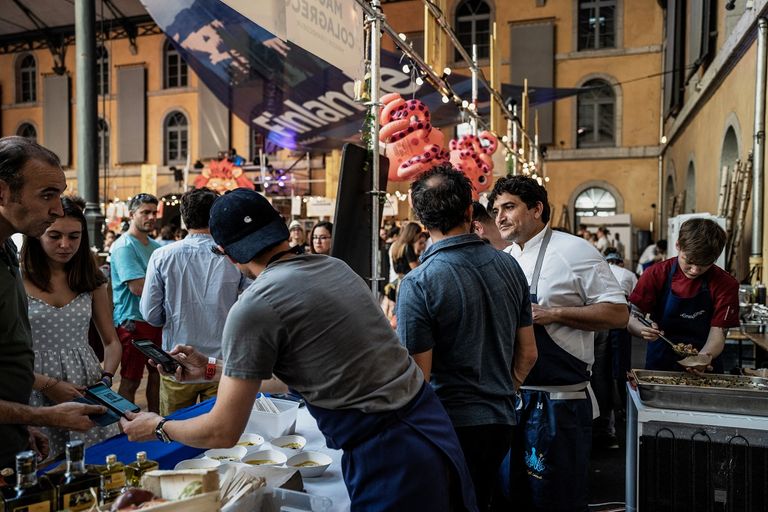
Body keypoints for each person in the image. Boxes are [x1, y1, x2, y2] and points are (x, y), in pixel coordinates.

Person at [120, 188, 478, 512]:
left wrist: (160, 426)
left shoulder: (255, 305)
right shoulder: (335, 268)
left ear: (224, 253)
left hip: (390, 452)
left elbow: (222, 432)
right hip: (429, 426)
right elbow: (306, 373)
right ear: (281, 231)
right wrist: (212, 369)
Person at [397, 166, 537, 511]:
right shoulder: (508, 266)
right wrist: (507, 387)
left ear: (421, 219)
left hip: (449, 426)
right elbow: (529, 353)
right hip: (501, 419)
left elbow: (418, 379)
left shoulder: (419, 282)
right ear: (470, 212)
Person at [488, 175, 628, 512]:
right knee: (513, 496)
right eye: (495, 210)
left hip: (560, 403)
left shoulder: (574, 250)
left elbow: (618, 313)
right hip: (513, 399)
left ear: (537, 209)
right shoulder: (505, 258)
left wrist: (555, 313)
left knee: (557, 499)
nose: (500, 217)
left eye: (509, 207)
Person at [0, 136, 104, 468]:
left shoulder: (7, 251)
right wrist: (42, 413)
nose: (58, 210)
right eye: (47, 195)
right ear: (2, 192)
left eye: (59, 195)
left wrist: (20, 423)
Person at [20, 197, 122, 457]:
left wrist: (106, 378)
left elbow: (111, 342)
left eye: (74, 237)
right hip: (32, 385)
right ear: (36, 235)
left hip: (85, 384)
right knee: (42, 467)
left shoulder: (92, 279)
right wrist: (47, 384)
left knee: (94, 462)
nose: (65, 245)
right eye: (54, 236)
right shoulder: (16, 279)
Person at [140, 188, 251, 415]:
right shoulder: (233, 255)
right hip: (221, 363)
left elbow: (150, 315)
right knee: (219, 433)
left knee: (174, 432)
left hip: (178, 361)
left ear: (184, 217)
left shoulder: (163, 255)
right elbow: (251, 302)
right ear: (216, 216)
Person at [627, 219, 739, 373]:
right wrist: (642, 329)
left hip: (705, 362)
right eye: (690, 262)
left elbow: (718, 334)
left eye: (704, 265)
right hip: (661, 363)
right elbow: (633, 318)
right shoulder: (656, 274)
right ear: (678, 245)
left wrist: (702, 359)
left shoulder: (725, 284)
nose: (694, 270)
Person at [110, 193, 163, 412]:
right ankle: (126, 430)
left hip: (155, 320)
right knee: (131, 380)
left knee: (158, 374)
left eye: (153, 212)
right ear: (132, 214)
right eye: (145, 212)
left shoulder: (155, 246)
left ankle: (156, 424)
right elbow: (137, 288)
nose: (151, 217)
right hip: (132, 320)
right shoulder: (123, 246)